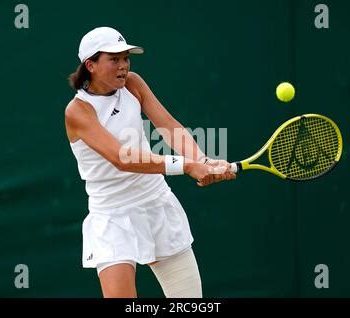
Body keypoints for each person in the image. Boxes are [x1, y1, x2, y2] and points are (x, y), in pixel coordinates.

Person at [64, 26, 236, 298]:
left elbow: (169, 126)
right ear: (91, 65)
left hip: (157, 204)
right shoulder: (78, 111)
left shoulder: (133, 83)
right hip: (112, 217)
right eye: (114, 59)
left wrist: (203, 160)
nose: (123, 65)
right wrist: (188, 166)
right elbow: (122, 157)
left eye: (126, 58)